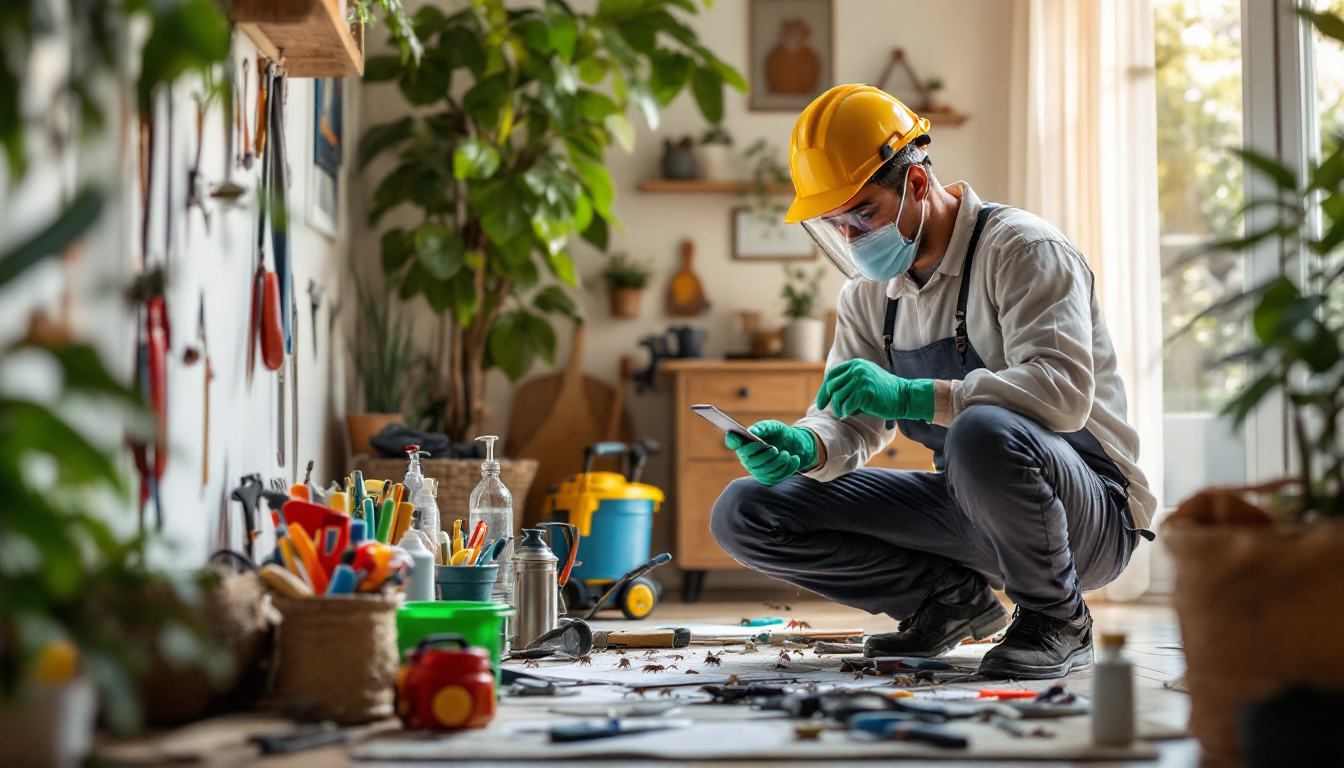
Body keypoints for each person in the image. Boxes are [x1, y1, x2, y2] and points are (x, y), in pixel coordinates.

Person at [710, 85, 1156, 679]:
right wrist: (807, 445)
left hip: (1089, 514)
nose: (851, 238)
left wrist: (915, 395)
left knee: (981, 431)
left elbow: (1062, 391)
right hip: (973, 510)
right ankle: (945, 602)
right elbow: (848, 419)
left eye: (863, 213)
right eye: (834, 224)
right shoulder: (868, 297)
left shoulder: (1023, 250)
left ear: (917, 184)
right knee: (744, 510)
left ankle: (1058, 618)